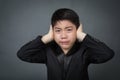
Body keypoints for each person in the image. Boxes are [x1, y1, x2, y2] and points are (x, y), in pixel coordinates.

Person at [17, 8, 114, 80]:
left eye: (69, 30)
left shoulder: (85, 50)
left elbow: (107, 54)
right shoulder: (47, 51)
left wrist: (82, 36)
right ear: (52, 31)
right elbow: (22, 54)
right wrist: (46, 37)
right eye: (58, 30)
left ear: (77, 29)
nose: (63, 36)